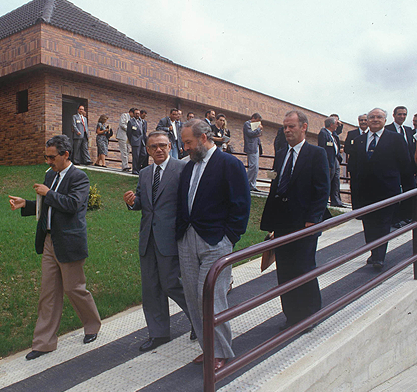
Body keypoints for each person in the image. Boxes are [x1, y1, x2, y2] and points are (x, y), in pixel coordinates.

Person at [8, 135, 101, 360]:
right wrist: (27, 204)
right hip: (49, 241)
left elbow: (73, 205)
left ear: (65, 155)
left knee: (74, 288)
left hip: (69, 242)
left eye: (52, 157)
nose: (48, 161)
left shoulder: (79, 177)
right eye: (45, 157)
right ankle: (44, 343)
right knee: (48, 293)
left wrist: (48, 193)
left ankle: (92, 325)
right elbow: (47, 206)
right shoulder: (50, 175)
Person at [176, 119, 250, 370]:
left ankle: (221, 352)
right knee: (192, 297)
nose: (185, 147)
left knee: (209, 297)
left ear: (204, 137)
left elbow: (241, 204)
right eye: (183, 142)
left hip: (216, 241)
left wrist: (230, 236)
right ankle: (208, 349)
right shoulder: (188, 167)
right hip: (188, 238)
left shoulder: (229, 164)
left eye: (188, 142)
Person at [124, 131, 193, 352]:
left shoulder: (182, 169)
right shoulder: (144, 173)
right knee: (151, 288)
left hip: (171, 239)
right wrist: (133, 202)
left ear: (170, 145)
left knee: (173, 284)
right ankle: (158, 333)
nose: (159, 150)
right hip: (148, 239)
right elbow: (143, 202)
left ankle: (199, 321)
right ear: (147, 149)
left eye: (162, 145)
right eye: (153, 147)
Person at [260, 110, 329, 329]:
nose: (287, 130)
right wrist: (271, 222)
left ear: (304, 127)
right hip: (282, 223)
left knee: (303, 268)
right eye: (285, 127)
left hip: (304, 224)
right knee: (285, 270)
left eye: (291, 126)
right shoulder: (281, 154)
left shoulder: (316, 154)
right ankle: (291, 315)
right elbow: (275, 184)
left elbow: (322, 190)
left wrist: (312, 220)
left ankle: (309, 315)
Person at [350, 108, 415, 270]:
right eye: (371, 117)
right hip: (365, 192)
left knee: (383, 224)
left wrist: (409, 193)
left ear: (385, 120)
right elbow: (354, 168)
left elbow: (405, 167)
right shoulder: (359, 140)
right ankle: (373, 252)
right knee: (369, 225)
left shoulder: (396, 139)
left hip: (387, 191)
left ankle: (379, 256)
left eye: (379, 117)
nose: (375, 120)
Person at [318, 117, 344, 207]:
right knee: (327, 181)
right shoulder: (323, 133)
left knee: (335, 181)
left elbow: (339, 131)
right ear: (332, 124)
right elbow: (322, 148)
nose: (337, 125)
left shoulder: (333, 134)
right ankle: (323, 201)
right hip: (329, 161)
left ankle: (336, 201)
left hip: (335, 159)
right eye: (336, 123)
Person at [243, 113, 264, 192]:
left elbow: (258, 135)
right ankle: (246, 183)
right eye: (257, 121)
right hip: (251, 147)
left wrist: (259, 130)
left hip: (256, 147)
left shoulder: (255, 126)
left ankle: (252, 184)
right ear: (253, 118)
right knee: (253, 166)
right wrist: (258, 129)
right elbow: (250, 133)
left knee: (256, 167)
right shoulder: (247, 124)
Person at [127, 109, 147, 174]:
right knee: (136, 156)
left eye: (138, 113)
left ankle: (138, 167)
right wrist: (132, 140)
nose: (137, 115)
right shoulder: (131, 122)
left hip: (142, 141)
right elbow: (129, 133)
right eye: (136, 113)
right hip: (135, 141)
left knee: (144, 154)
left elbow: (143, 132)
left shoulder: (141, 122)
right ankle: (135, 169)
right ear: (133, 114)